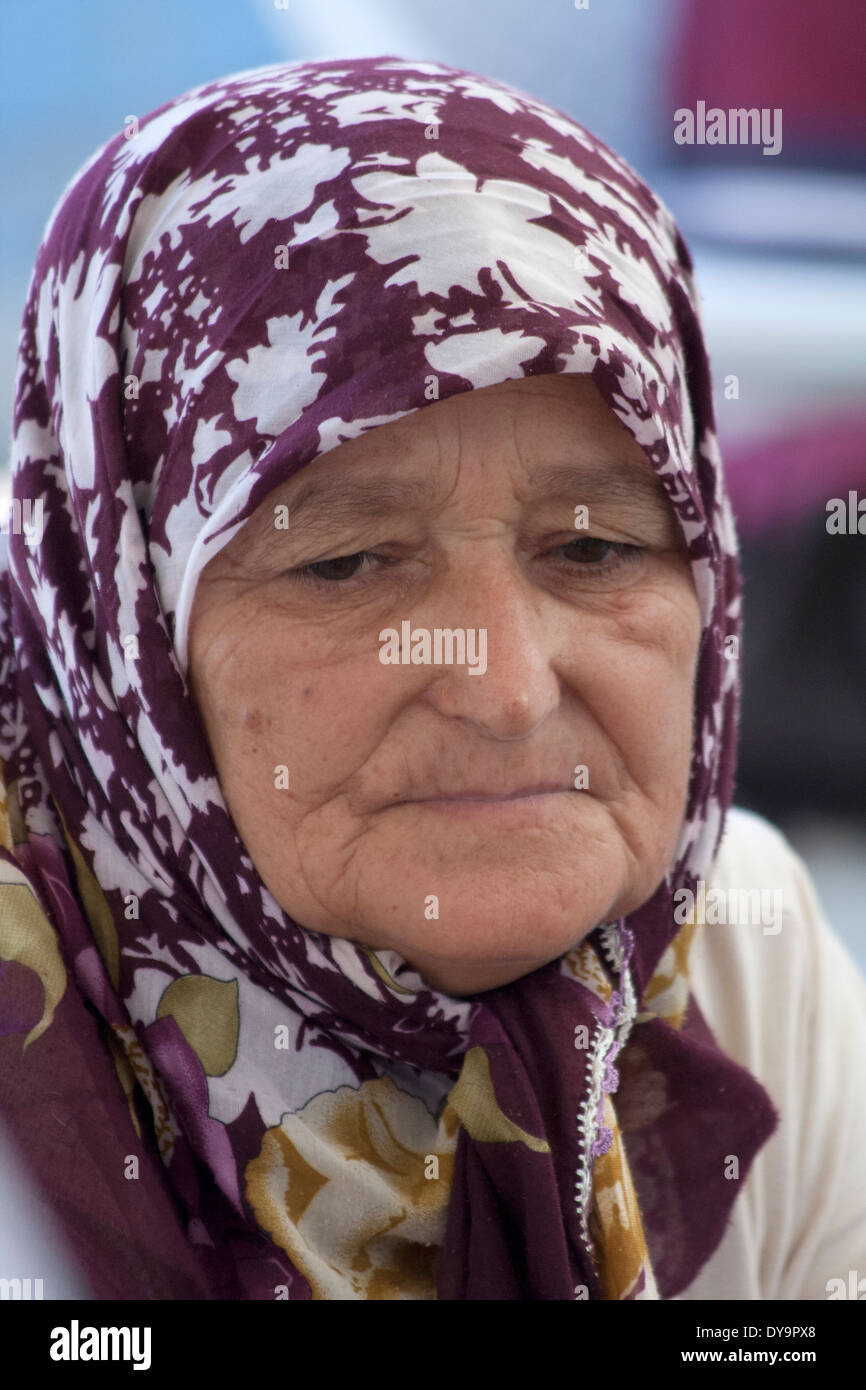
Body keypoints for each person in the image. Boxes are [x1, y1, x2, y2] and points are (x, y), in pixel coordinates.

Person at [0, 53, 863, 1302]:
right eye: (347, 565)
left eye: (590, 548)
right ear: (123, 631)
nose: (506, 688)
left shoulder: (729, 959)